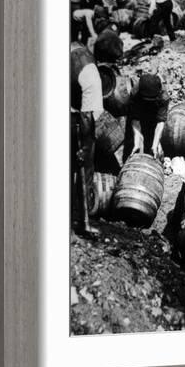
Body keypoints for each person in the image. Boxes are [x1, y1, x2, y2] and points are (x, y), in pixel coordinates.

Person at [70, 44, 104, 231]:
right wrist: (85, 147)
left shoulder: (73, 51)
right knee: (86, 165)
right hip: (74, 119)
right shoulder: (91, 74)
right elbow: (86, 115)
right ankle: (82, 221)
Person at [123, 73, 170, 161]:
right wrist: (137, 141)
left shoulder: (164, 97)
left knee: (152, 142)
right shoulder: (135, 93)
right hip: (140, 108)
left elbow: (160, 122)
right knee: (133, 142)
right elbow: (135, 119)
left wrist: (155, 144)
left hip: (154, 112)